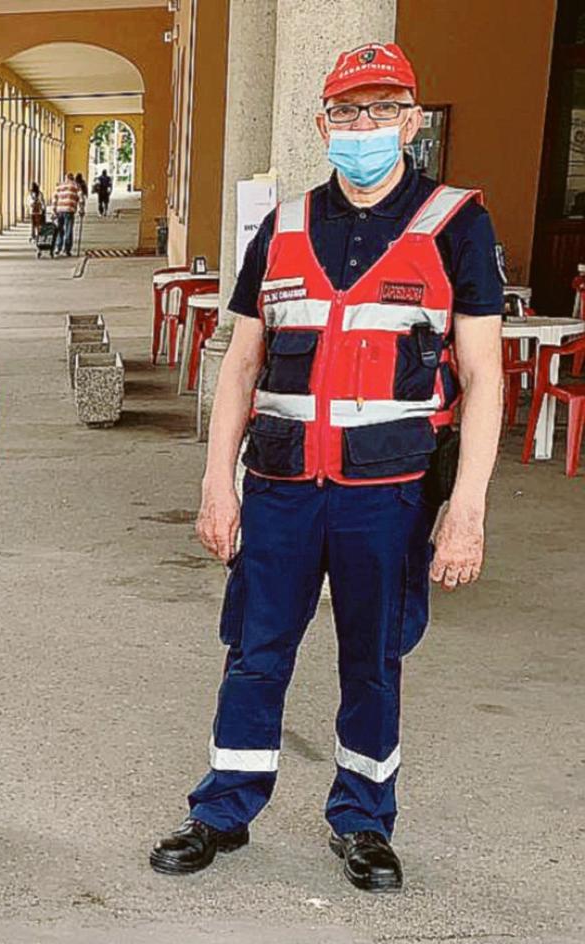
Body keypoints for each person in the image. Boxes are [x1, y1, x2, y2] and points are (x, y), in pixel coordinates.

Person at [150, 42, 503, 893]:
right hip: (278, 489)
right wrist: (215, 483)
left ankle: (364, 820)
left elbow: (485, 375)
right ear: (323, 125)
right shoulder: (287, 226)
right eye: (347, 112)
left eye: (382, 110)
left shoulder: (456, 223)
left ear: (412, 121)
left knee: (372, 658)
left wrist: (466, 511)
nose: (364, 127)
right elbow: (240, 363)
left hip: (386, 494)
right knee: (254, 650)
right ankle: (223, 809)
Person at [52, 174, 81, 256]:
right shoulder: (75, 186)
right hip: (69, 210)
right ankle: (67, 249)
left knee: (60, 229)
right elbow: (81, 198)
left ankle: (58, 247)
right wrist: (81, 209)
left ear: (66, 178)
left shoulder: (60, 186)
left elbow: (55, 198)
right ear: (73, 178)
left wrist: (54, 210)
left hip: (60, 210)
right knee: (68, 229)